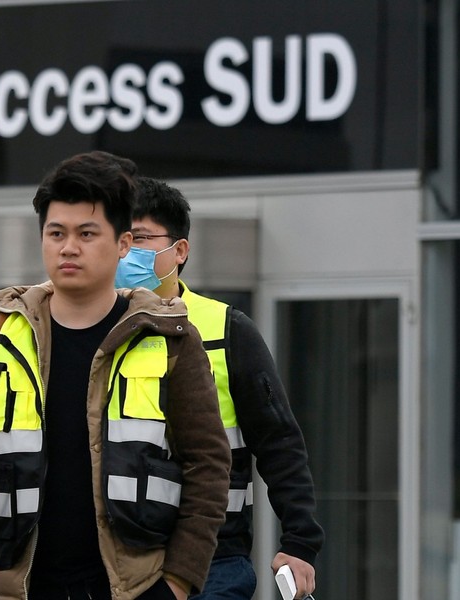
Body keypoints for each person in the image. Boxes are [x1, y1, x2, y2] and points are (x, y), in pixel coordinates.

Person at [0, 151, 231, 600]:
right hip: (29, 586)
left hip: (137, 587)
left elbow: (208, 465)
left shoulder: (169, 337)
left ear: (124, 243)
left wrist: (179, 583)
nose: (69, 247)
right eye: (56, 233)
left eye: (87, 233)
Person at [120, 177, 323, 600]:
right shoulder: (98, 332)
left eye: (140, 239)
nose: (128, 254)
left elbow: (279, 441)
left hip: (215, 559)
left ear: (179, 251)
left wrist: (300, 542)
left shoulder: (226, 329)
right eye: (121, 240)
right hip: (120, 559)